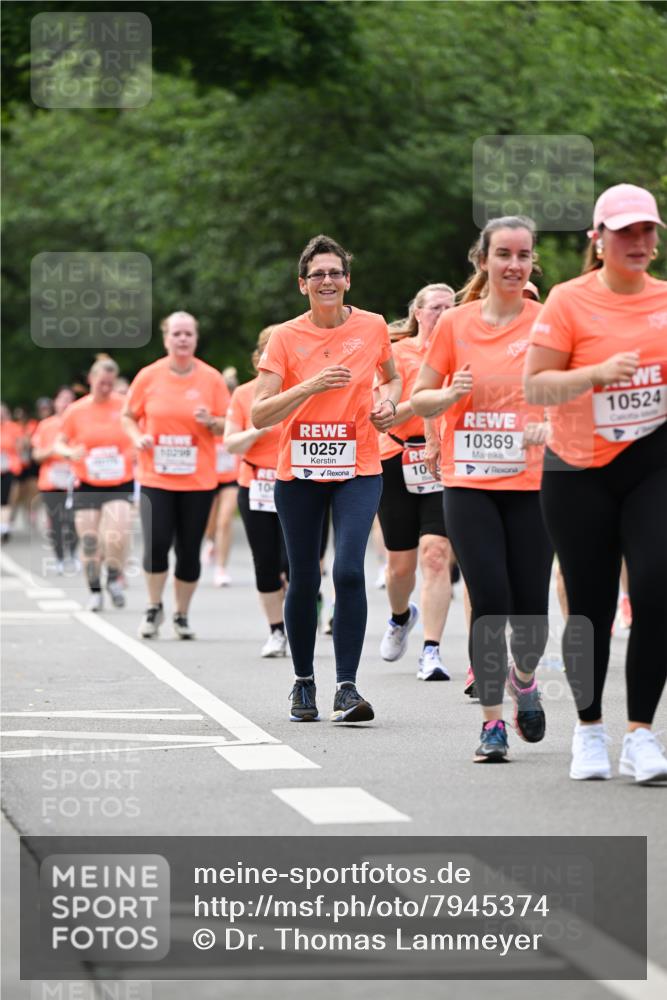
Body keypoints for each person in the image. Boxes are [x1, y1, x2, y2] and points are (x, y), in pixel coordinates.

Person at [524, 183, 667, 784]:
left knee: (658, 585)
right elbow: (536, 387)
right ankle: (588, 730)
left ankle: (640, 734)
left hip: (652, 460)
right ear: (598, 240)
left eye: (648, 231)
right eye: (626, 231)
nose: (639, 242)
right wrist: (595, 374)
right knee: (590, 605)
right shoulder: (567, 300)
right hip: (576, 468)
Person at [412, 215, 552, 763]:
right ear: (483, 261)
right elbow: (421, 398)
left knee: (533, 618)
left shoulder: (548, 322)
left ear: (530, 262)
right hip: (469, 482)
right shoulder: (455, 324)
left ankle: (525, 679)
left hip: (534, 482)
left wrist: (552, 422)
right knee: (489, 599)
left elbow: (573, 391)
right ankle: (492, 723)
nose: (514, 265)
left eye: (523, 256)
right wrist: (448, 396)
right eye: (504, 255)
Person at [252, 234, 401, 723]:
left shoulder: (373, 326)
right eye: (318, 274)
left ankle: (346, 687)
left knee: (350, 571)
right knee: (305, 576)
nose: (328, 280)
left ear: (348, 280)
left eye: (335, 272)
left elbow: (392, 377)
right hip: (299, 472)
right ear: (303, 285)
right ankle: (302, 683)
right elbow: (259, 413)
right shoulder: (285, 338)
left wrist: (388, 403)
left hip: (358, 466)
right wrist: (312, 384)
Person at [122, 311, 230, 639]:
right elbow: (128, 415)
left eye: (188, 334)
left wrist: (212, 421)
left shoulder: (211, 379)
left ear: (195, 339)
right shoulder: (148, 376)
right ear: (166, 338)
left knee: (188, 549)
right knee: (156, 544)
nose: (182, 339)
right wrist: (135, 437)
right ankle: (154, 606)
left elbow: (230, 424)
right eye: (176, 334)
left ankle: (181, 614)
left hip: (198, 480)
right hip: (157, 477)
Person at [377, 283, 456, 680]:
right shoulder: (395, 352)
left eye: (450, 306)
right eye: (436, 307)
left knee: (436, 554)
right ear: (418, 312)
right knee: (400, 566)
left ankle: (432, 650)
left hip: (445, 461)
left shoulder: (463, 353)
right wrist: (427, 400)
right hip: (396, 456)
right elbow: (384, 414)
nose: (443, 313)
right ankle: (399, 616)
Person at [225, 325, 289, 657]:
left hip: (297, 483)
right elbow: (230, 442)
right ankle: (276, 631)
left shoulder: (300, 390)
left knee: (295, 562)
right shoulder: (244, 394)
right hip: (256, 485)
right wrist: (254, 429)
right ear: (260, 357)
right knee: (266, 561)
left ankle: (298, 620)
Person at [56, 358, 135, 611]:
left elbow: (140, 429)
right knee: (90, 540)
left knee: (118, 534)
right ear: (90, 380)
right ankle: (95, 590)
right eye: (101, 383)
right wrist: (69, 453)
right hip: (87, 482)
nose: (105, 388)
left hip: (119, 480)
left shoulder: (124, 406)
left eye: (110, 384)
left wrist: (137, 447)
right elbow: (59, 442)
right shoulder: (76, 411)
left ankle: (113, 577)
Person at [31, 386, 78, 574]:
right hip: (51, 482)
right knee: (56, 522)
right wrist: (53, 450)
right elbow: (36, 455)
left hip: (75, 480)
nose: (66, 403)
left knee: (74, 521)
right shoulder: (46, 425)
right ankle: (59, 558)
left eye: (70, 399)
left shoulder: (79, 422)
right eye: (62, 399)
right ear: (55, 402)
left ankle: (73, 555)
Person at [0, 403, 23, 542]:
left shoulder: (13, 428)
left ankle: (4, 526)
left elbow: (20, 447)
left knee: (6, 499)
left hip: (9, 469)